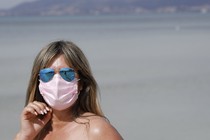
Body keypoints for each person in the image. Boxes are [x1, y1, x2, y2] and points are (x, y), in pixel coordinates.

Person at [14, 40, 123, 140]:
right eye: (48, 74)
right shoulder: (32, 131)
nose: (57, 81)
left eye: (67, 73)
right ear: (38, 82)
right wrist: (25, 136)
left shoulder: (96, 131)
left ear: (81, 83)